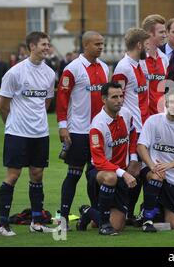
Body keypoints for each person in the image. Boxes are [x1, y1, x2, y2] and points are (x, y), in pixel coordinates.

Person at [0, 31, 56, 236]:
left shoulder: (49, 73)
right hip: (17, 133)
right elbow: (3, 106)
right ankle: (3, 224)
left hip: (40, 133)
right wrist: (12, 124)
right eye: (43, 44)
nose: (47, 48)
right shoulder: (15, 73)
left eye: (48, 44)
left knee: (37, 175)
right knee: (13, 176)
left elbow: (46, 102)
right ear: (32, 46)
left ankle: (37, 222)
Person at [56, 31, 109, 227]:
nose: (101, 47)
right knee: (74, 174)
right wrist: (63, 127)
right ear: (85, 45)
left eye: (102, 44)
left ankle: (93, 215)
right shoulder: (73, 69)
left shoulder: (104, 67)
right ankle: (63, 218)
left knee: (95, 176)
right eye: (97, 44)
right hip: (78, 131)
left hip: (99, 132)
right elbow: (62, 99)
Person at [76, 82, 138, 235]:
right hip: (100, 171)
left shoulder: (127, 114)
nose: (119, 100)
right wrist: (123, 173)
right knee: (111, 178)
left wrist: (134, 158)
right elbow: (99, 161)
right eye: (114, 97)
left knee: (118, 225)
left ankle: (89, 212)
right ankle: (104, 224)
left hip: (121, 172)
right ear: (104, 99)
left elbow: (133, 133)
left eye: (121, 96)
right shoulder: (98, 125)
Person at [137, 91, 174, 231]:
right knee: (156, 177)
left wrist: (168, 166)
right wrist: (152, 166)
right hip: (153, 171)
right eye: (171, 103)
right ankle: (147, 221)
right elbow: (141, 147)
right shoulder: (153, 120)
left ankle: (147, 210)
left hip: (173, 178)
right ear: (165, 104)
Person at [111, 28, 151, 226]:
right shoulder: (123, 68)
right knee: (132, 170)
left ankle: (129, 212)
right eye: (147, 43)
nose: (149, 47)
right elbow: (116, 99)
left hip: (144, 126)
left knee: (140, 173)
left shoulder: (140, 64)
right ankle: (118, 211)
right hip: (132, 129)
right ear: (139, 45)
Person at [139, 14, 169, 115]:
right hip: (141, 119)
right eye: (161, 32)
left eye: (165, 32)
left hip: (160, 118)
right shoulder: (137, 59)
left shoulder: (164, 59)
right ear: (149, 33)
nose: (165, 35)